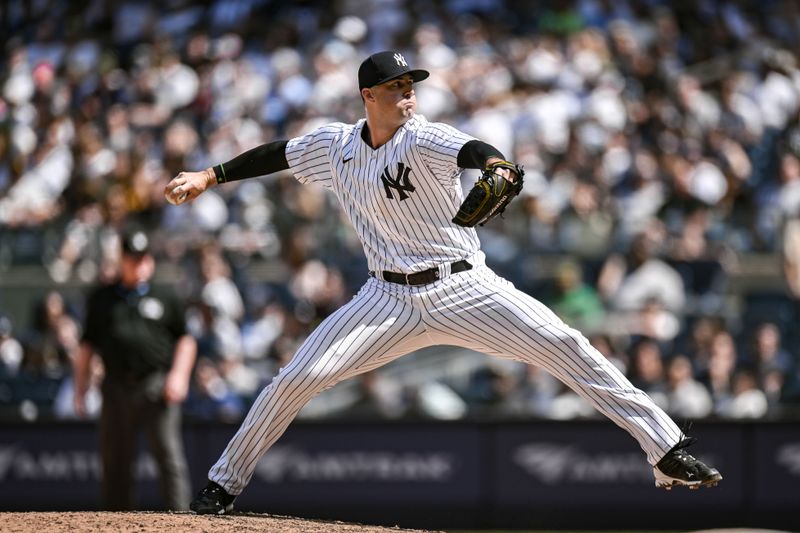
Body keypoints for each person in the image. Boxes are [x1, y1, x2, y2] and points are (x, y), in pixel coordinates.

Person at [165, 51, 722, 515]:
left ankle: (666, 447)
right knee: (297, 376)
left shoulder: (423, 138)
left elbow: (473, 151)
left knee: (564, 344)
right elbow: (277, 154)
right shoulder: (335, 146)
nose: (408, 94)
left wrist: (497, 166)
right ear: (367, 96)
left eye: (411, 85)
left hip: (463, 288)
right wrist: (209, 176)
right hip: (384, 298)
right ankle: (222, 486)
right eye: (395, 86)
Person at [72, 229, 197, 511]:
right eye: (132, 259)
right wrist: (80, 389)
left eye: (142, 259)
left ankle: (182, 522)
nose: (138, 265)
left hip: (156, 385)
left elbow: (185, 340)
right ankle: (116, 522)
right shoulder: (102, 299)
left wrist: (178, 376)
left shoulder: (166, 295)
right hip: (115, 386)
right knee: (115, 460)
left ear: (150, 261)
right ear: (121, 261)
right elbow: (86, 347)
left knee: (168, 458)